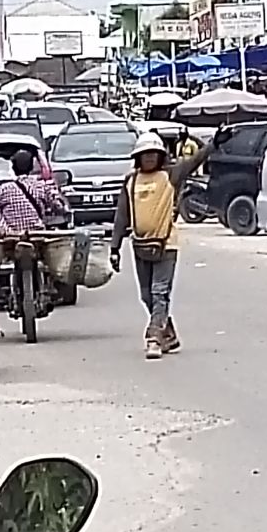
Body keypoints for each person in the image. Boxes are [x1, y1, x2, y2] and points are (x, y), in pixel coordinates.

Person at [111, 127, 227, 360]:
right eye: (145, 154)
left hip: (166, 244)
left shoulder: (171, 175)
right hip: (140, 245)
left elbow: (194, 161)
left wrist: (213, 144)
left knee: (159, 291)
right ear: (138, 158)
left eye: (154, 153)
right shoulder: (131, 181)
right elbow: (122, 216)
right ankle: (169, 333)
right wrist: (114, 248)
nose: (150, 157)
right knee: (147, 295)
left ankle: (154, 338)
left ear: (161, 155)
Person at [0, 150, 69, 234]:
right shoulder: (41, 187)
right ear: (31, 167)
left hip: (11, 236)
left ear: (13, 168)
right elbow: (59, 208)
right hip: (37, 234)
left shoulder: (3, 189)